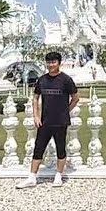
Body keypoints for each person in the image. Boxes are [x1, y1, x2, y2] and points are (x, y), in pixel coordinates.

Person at [17, 51, 79, 189]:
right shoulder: (43, 80)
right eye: (49, 62)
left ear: (59, 63)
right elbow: (35, 97)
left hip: (60, 121)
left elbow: (75, 98)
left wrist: (66, 110)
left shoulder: (66, 80)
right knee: (38, 148)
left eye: (54, 62)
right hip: (45, 121)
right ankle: (32, 177)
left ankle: (59, 175)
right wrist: (36, 115)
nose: (51, 65)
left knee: (60, 148)